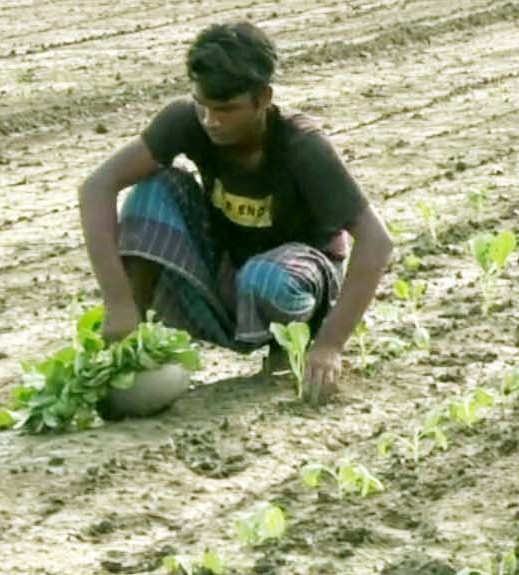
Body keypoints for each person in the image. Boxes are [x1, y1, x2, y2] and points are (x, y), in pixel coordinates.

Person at [79, 21, 394, 403]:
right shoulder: (188, 121)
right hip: (230, 272)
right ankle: (135, 344)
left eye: (226, 109)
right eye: (203, 106)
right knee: (153, 188)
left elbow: (376, 241)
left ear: (263, 99)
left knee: (264, 278)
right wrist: (119, 304)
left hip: (295, 286)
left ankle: (287, 350)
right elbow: (96, 188)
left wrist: (330, 344)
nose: (211, 120)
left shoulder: (302, 146)